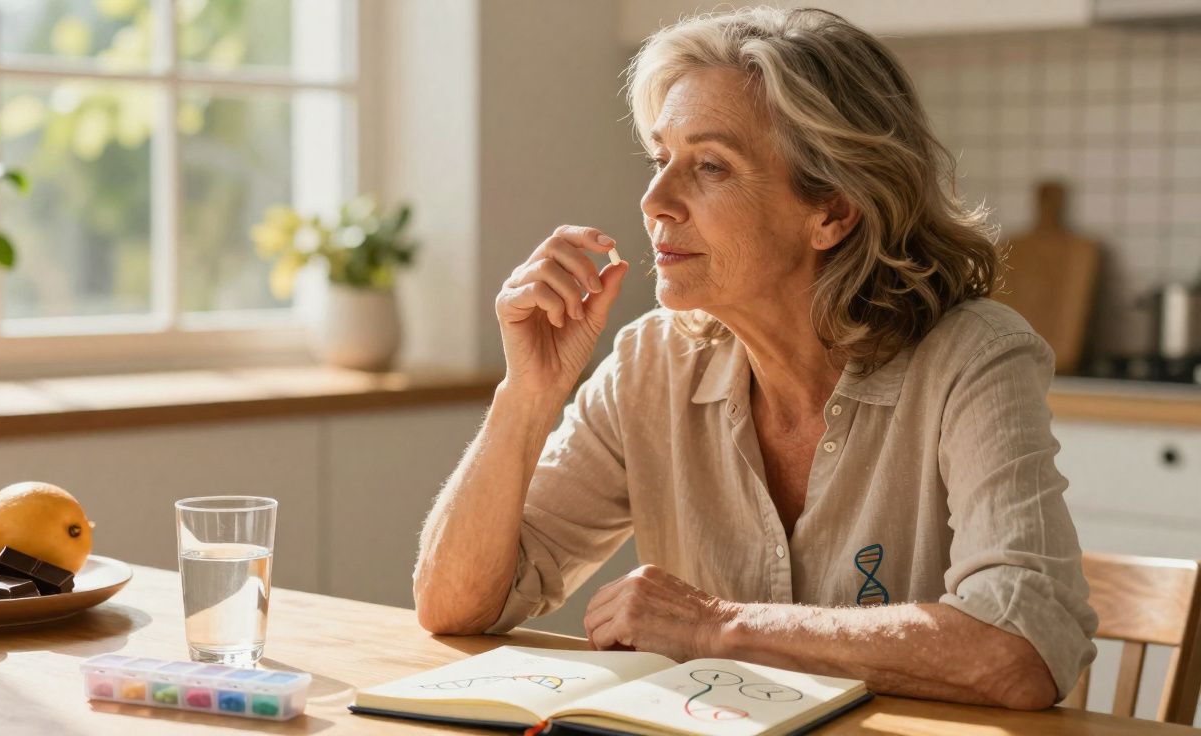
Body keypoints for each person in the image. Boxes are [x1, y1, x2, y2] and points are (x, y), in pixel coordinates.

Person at [413, 5, 1097, 710]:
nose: (654, 200)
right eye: (660, 160)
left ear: (832, 211)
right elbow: (455, 605)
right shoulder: (651, 362)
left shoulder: (973, 358)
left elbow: (1021, 647)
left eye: (710, 166)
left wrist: (716, 627)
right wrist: (527, 394)